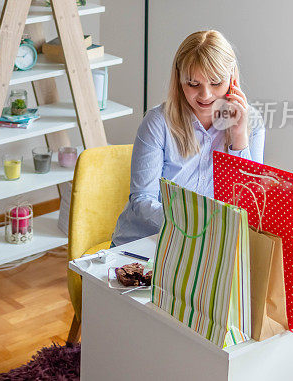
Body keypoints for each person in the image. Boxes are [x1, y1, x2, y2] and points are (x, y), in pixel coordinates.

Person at [111, 30, 265, 246]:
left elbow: (251, 204)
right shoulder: (158, 123)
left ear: (232, 79)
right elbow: (142, 200)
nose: (205, 95)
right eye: (193, 84)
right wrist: (194, 227)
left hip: (209, 245)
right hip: (147, 241)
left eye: (216, 83)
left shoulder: (251, 123)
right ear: (179, 78)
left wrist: (239, 137)